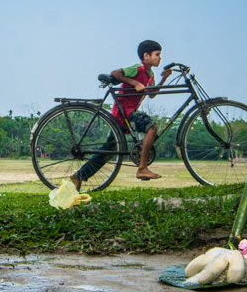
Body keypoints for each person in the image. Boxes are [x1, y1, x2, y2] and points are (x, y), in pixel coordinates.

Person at [71, 40, 172, 187]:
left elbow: (152, 94)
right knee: (152, 127)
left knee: (108, 150)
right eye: (157, 54)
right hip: (124, 112)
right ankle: (142, 168)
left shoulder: (150, 75)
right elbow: (115, 73)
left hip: (129, 113)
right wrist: (135, 83)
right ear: (146, 55)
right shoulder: (138, 68)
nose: (160, 58)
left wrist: (164, 78)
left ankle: (79, 175)